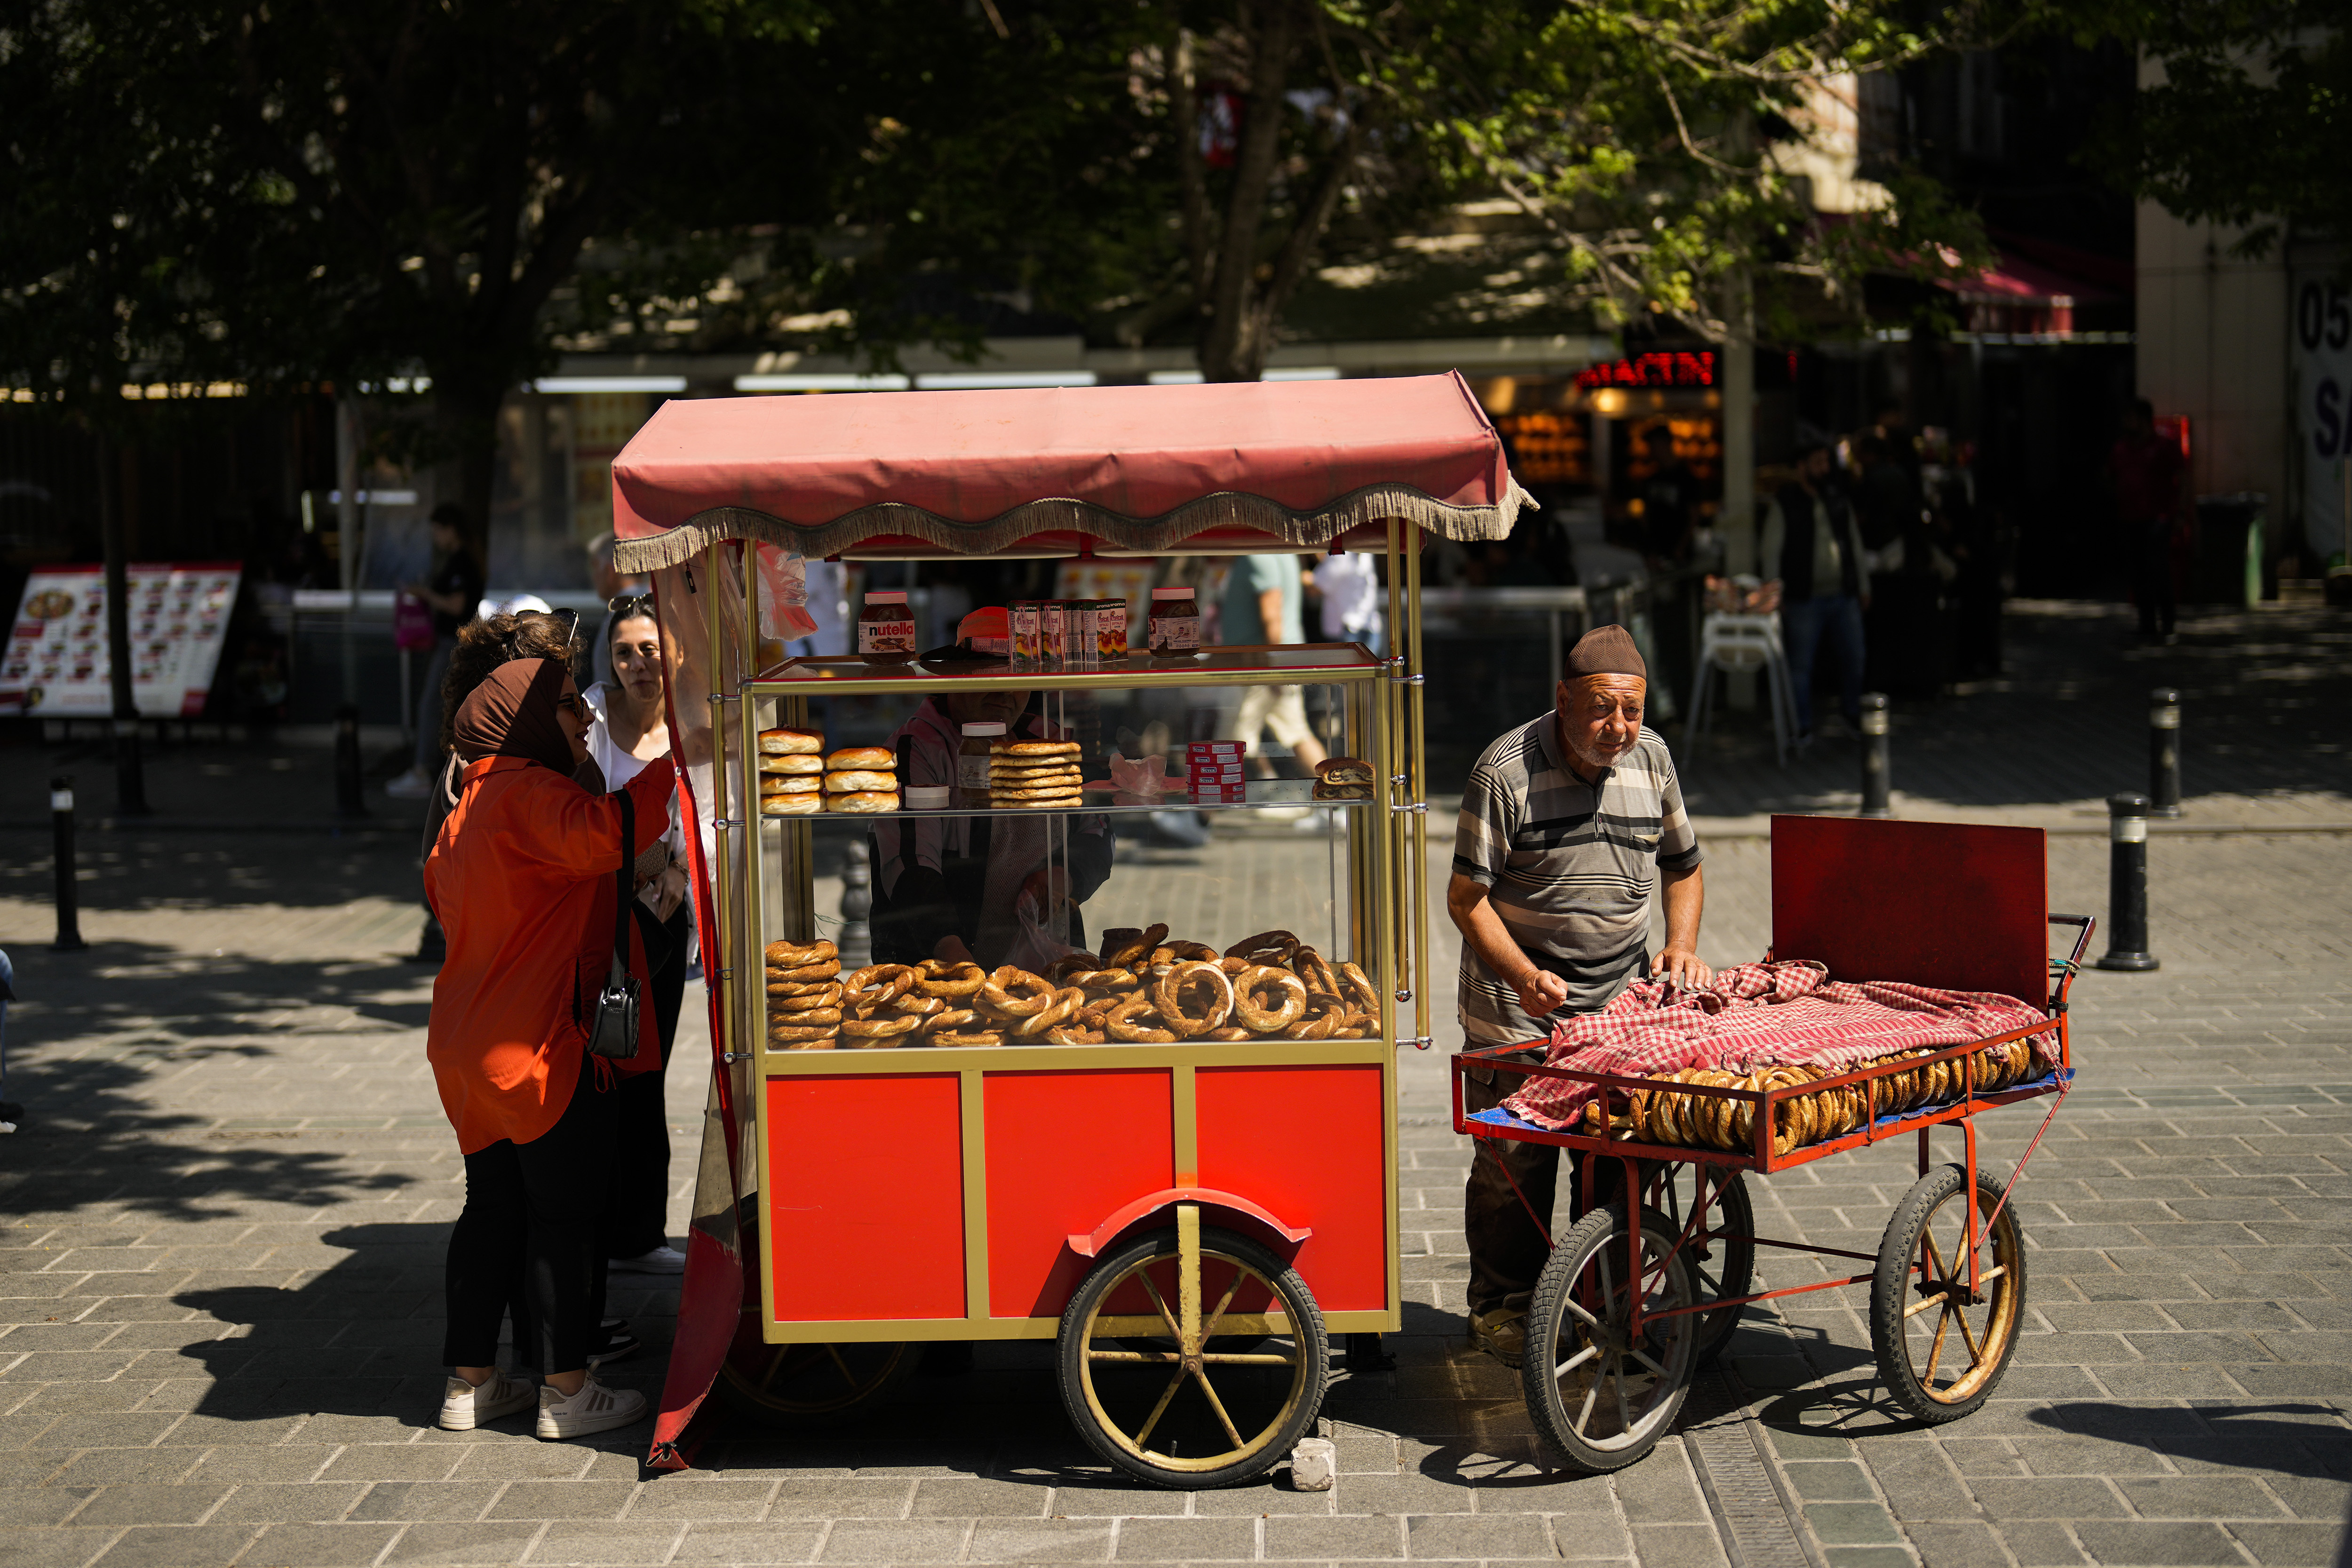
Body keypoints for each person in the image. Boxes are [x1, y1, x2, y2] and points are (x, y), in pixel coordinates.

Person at [1445, 624, 1708, 1368]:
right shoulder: (1506, 771)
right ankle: (1502, 1307)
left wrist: (1681, 945)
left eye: (1632, 710)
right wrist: (1523, 975)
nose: (1619, 727)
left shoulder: (1652, 758)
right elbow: (1466, 899)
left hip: (1620, 1011)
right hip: (1516, 1008)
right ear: (1563, 700)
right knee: (1516, 1169)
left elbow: (1685, 866)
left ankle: (1605, 1302)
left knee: (1621, 1162)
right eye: (1601, 709)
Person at [425, 659, 675, 1440]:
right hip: (535, 1044)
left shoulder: (466, 807)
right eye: (569, 706)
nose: (585, 717)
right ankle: (567, 1391)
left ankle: (469, 1385)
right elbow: (613, 833)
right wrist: (678, 761)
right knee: (563, 1218)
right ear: (524, 719)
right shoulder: (530, 794)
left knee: (490, 1209)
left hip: (466, 1045)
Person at [869, 643, 1115, 971]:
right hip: (940, 965)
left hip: (1050, 963)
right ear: (957, 676)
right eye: (989, 676)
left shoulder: (1048, 739)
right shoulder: (915, 749)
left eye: (1019, 677)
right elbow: (911, 865)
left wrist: (1062, 876)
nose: (1005, 691)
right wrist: (951, 952)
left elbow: (1098, 827)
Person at [581, 596, 691, 1277]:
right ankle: (595, 1224)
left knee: (648, 1072)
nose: (638, 664)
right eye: (624, 652)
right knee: (598, 1069)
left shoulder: (692, 721)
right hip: (595, 918)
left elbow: (709, 820)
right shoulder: (589, 719)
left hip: (659, 924)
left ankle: (641, 1233)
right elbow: (578, 814)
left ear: (673, 652)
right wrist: (649, 861)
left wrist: (677, 868)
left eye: (649, 649)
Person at [411, 609, 588, 964]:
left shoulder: (463, 764)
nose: (587, 713)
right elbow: (605, 845)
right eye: (564, 695)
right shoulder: (541, 776)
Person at [1762, 442, 1870, 744]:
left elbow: (1854, 544)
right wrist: (1775, 592)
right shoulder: (1786, 501)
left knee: (1855, 658)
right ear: (1802, 467)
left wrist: (1863, 585)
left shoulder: (1838, 498)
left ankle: (1851, 715)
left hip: (1842, 594)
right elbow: (1772, 551)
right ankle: (1802, 726)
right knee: (1801, 666)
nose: (1825, 469)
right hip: (1803, 598)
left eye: (1826, 462)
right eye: (1818, 463)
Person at [388, 504, 486, 799]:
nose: (435, 538)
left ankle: (423, 770)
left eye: (437, 531)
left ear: (450, 530)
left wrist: (425, 594)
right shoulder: (464, 560)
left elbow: (456, 606)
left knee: (432, 705)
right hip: (456, 641)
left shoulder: (462, 562)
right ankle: (444, 772)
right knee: (452, 707)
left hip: (453, 642)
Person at [1216, 554, 1327, 777]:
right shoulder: (1281, 554)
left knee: (1230, 743)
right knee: (1292, 733)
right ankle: (1337, 788)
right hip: (1267, 663)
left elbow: (1272, 614)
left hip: (1261, 665)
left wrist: (1273, 669)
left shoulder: (1258, 555)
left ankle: (1339, 788)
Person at [2110, 398, 2185, 644]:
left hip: (2157, 519)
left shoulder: (2164, 446)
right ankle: (2147, 624)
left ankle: (2168, 625)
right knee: (2138, 572)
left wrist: (2179, 513)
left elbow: (2182, 478)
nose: (2126, 423)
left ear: (2143, 420)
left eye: (2130, 418)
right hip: (2130, 519)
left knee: (2159, 571)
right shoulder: (2121, 449)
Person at [581, 533, 642, 690]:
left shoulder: (628, 610)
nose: (593, 576)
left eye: (595, 567)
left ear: (609, 571)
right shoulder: (649, 601)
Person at [1311, 550, 1385, 657]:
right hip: (1368, 627)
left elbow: (1315, 589)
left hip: (1348, 630)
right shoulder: (1366, 552)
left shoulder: (1339, 553)